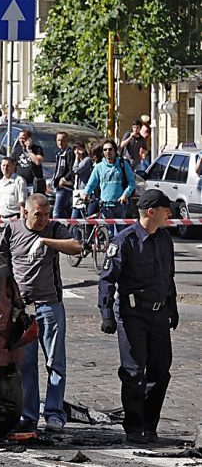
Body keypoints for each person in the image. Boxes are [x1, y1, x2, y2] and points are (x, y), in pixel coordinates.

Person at [98, 189, 178, 444]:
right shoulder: (124, 241)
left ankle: (149, 424)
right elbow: (107, 279)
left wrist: (172, 307)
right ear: (151, 212)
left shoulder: (164, 239)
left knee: (160, 372)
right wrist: (107, 314)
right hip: (132, 314)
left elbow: (168, 277)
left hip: (159, 315)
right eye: (166, 209)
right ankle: (133, 426)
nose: (170, 213)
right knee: (133, 373)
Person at [0, 194, 81, 433]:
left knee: (55, 362)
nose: (43, 219)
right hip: (23, 309)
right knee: (25, 365)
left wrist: (45, 241)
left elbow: (76, 247)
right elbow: (1, 263)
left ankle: (54, 413)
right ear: (25, 212)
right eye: (38, 215)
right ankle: (28, 416)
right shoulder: (12, 229)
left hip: (49, 305)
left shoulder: (54, 229)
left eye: (47, 214)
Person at [82, 139, 136, 236]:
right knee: (109, 234)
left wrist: (125, 194)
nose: (108, 152)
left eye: (110, 149)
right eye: (105, 150)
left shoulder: (123, 164)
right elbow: (91, 184)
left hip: (120, 205)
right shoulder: (99, 167)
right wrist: (86, 193)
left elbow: (132, 182)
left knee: (121, 235)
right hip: (105, 206)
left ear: (115, 150)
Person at [52, 131, 75, 219]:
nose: (60, 142)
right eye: (58, 140)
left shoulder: (69, 152)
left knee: (56, 214)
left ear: (67, 141)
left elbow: (72, 169)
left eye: (62, 140)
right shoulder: (60, 153)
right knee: (63, 212)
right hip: (57, 187)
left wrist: (64, 179)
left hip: (64, 188)